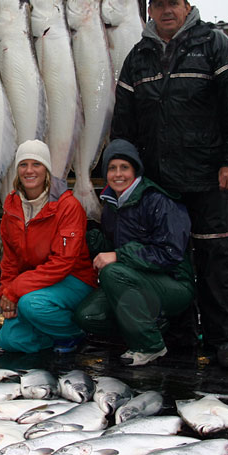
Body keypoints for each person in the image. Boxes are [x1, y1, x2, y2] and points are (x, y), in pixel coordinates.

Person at [111, 0, 228, 369]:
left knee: (215, 259)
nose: (167, 10)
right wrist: (123, 170)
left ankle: (226, 340)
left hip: (209, 178)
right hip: (160, 184)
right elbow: (123, 123)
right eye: (159, 5)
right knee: (170, 262)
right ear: (150, 12)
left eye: (173, 3)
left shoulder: (214, 44)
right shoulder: (137, 57)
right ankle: (180, 336)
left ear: (187, 7)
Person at [74, 139, 195, 366]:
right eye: (112, 168)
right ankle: (148, 327)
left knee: (112, 273)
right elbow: (109, 248)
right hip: (131, 281)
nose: (118, 174)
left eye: (124, 168)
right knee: (87, 315)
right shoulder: (110, 204)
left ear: (135, 170)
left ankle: (151, 346)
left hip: (173, 283)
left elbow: (170, 253)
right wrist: (90, 237)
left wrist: (119, 256)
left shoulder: (157, 200)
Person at [0, 139, 97, 354]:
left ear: (47, 169)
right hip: (33, 285)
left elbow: (63, 263)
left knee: (32, 305)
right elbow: (10, 260)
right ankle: (52, 334)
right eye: (23, 164)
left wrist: (15, 291)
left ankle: (73, 334)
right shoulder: (12, 206)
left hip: (73, 280)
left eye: (36, 164)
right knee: (9, 340)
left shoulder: (68, 206)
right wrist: (6, 291)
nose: (29, 170)